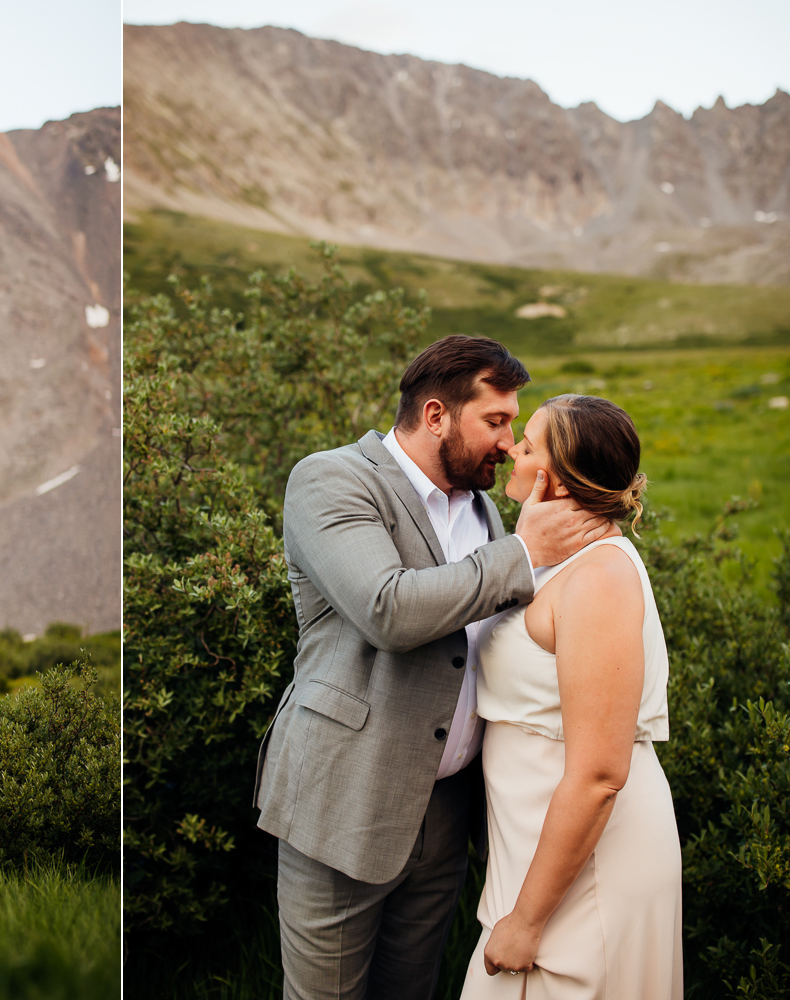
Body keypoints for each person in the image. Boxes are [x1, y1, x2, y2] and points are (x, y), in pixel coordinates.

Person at [254, 335, 612, 1000]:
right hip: (344, 803)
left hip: (445, 814)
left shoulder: (483, 509)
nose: (508, 444)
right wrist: (523, 555)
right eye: (496, 422)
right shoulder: (331, 479)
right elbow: (388, 609)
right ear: (437, 415)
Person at [463, 394, 682, 996]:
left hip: (589, 871)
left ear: (551, 480)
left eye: (527, 445)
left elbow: (599, 774)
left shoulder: (600, 577)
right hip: (537, 854)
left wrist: (529, 920)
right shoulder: (553, 558)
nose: (510, 447)